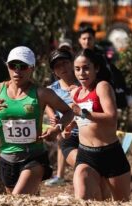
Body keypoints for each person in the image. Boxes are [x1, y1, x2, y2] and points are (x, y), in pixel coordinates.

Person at [0, 46, 74, 195]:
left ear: (32, 68)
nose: (17, 71)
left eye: (23, 66)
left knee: (16, 201)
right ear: (7, 66)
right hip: (6, 158)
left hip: (33, 158)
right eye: (13, 66)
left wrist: (57, 129)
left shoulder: (42, 93)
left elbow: (69, 112)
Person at [70, 48, 131, 201]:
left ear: (96, 68)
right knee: (83, 199)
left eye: (86, 68)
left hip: (110, 154)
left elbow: (111, 117)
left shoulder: (102, 86)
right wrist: (70, 126)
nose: (81, 73)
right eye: (77, 69)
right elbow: (82, 120)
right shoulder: (75, 93)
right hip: (86, 154)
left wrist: (83, 113)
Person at [44, 48, 79, 186]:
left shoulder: (84, 83)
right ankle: (60, 176)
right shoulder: (52, 89)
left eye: (65, 62)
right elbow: (47, 104)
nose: (62, 67)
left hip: (89, 135)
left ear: (71, 63)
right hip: (68, 136)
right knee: (82, 165)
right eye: (57, 65)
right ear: (54, 71)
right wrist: (53, 117)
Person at [77, 26, 128, 110]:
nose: (87, 42)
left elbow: (111, 74)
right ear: (79, 40)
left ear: (94, 39)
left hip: (100, 95)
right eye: (84, 39)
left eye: (89, 38)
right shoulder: (75, 57)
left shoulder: (101, 56)